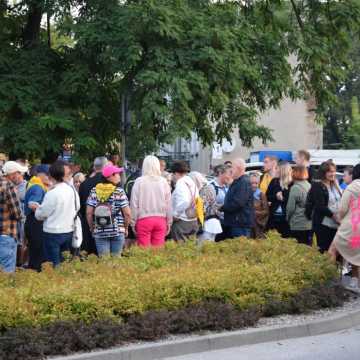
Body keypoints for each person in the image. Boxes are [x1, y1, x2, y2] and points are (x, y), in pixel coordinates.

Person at [35, 161, 79, 267]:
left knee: (53, 264)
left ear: (52, 176)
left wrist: (37, 208)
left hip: (52, 232)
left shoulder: (52, 193)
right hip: (69, 230)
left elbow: (41, 215)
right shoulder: (71, 190)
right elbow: (77, 207)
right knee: (65, 263)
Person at [86, 164, 131, 257]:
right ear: (111, 176)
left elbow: (89, 213)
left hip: (100, 230)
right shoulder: (119, 191)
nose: (119, 176)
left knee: (104, 263)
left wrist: (92, 228)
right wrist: (126, 228)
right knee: (116, 261)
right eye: (118, 174)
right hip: (117, 230)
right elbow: (127, 214)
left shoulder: (94, 191)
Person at [329, 164, 360, 292]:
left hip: (350, 225)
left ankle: (328, 278)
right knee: (356, 253)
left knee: (333, 249)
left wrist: (340, 218)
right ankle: (354, 282)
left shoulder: (352, 187)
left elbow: (342, 208)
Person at [130, 156, 172, 248]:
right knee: (157, 254)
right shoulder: (163, 182)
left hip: (143, 220)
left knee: (144, 254)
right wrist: (169, 221)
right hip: (161, 220)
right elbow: (168, 204)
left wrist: (132, 222)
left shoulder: (139, 182)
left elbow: (134, 204)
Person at [78, 156, 108, 255]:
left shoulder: (84, 183)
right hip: (106, 223)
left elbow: (81, 206)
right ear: (106, 166)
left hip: (87, 222)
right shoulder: (108, 182)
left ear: (94, 167)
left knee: (88, 253)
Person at [310, 160, 342, 253]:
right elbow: (320, 206)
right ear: (323, 173)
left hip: (336, 225)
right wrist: (334, 216)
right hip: (324, 225)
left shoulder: (335, 184)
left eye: (333, 171)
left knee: (335, 253)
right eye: (329, 171)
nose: (332, 174)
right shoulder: (318, 186)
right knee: (324, 252)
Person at [24, 165, 51, 271]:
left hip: (32, 222)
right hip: (35, 223)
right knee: (38, 254)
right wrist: (45, 211)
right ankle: (36, 276)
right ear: (40, 174)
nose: (49, 177)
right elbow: (32, 204)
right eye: (47, 175)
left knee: (35, 252)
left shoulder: (35, 184)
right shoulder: (37, 187)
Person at [0, 162, 25, 272]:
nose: (20, 176)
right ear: (12, 174)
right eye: (19, 173)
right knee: (7, 272)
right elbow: (17, 213)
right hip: (7, 233)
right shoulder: (9, 186)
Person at [222, 159, 254, 238]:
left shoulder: (244, 182)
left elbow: (238, 203)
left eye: (232, 167)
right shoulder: (238, 181)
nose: (230, 170)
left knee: (240, 249)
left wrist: (222, 207)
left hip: (240, 224)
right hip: (236, 223)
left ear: (238, 168)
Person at [171, 161, 199, 241]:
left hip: (182, 222)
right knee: (190, 248)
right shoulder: (191, 181)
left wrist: (176, 215)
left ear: (176, 173)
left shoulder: (180, 182)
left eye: (173, 174)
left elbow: (185, 201)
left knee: (180, 250)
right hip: (193, 219)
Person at [189, 171, 222, 242]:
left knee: (203, 247)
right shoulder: (207, 188)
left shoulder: (205, 190)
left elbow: (201, 209)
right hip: (211, 223)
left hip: (208, 224)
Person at [286, 166, 312, 245]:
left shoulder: (295, 188)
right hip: (309, 223)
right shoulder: (309, 185)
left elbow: (290, 208)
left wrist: (287, 218)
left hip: (297, 223)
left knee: (297, 248)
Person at [266, 162, 292, 238]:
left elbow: (292, 200)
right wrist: (275, 196)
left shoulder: (292, 183)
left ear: (282, 170)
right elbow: (267, 196)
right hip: (273, 217)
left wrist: (283, 197)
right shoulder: (274, 181)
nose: (275, 170)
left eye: (277, 168)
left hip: (286, 218)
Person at [210, 164, 232, 241]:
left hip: (227, 222)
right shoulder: (211, 187)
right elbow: (209, 206)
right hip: (216, 222)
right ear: (220, 173)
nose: (230, 176)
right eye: (228, 174)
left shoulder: (227, 187)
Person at [250, 173, 269, 239]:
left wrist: (255, 213)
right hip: (248, 225)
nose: (254, 185)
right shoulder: (246, 193)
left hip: (258, 225)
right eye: (252, 183)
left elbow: (266, 211)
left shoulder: (261, 195)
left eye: (256, 183)